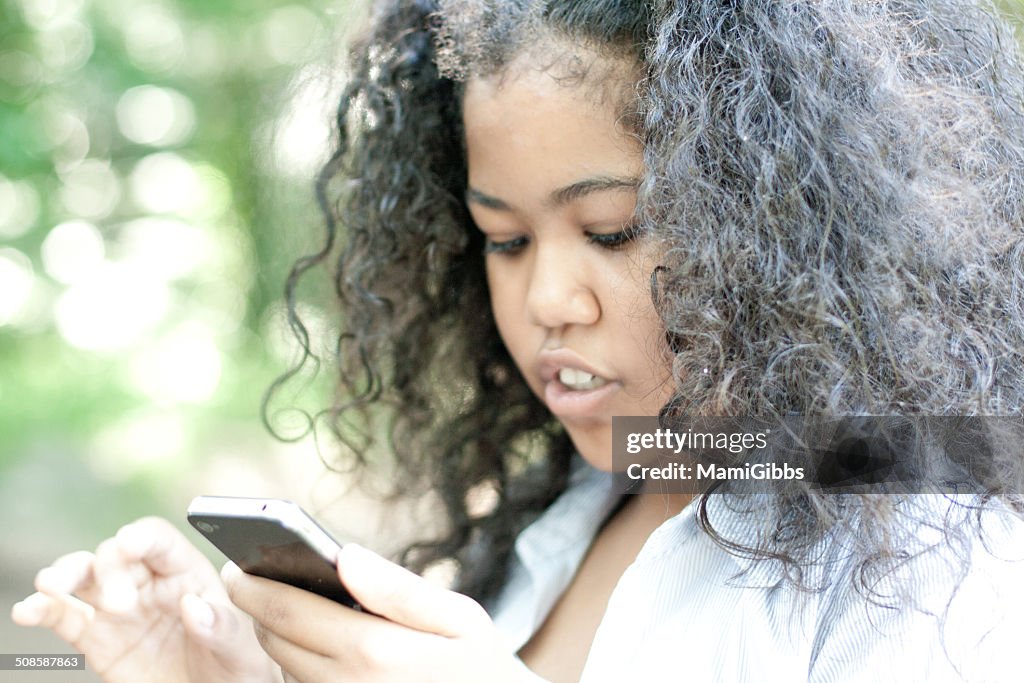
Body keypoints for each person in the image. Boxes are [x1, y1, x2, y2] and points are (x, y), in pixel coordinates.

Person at [11, 0, 1024, 681]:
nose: (546, 298)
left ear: (795, 218)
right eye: (502, 238)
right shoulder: (594, 493)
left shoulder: (943, 565)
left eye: (613, 229)